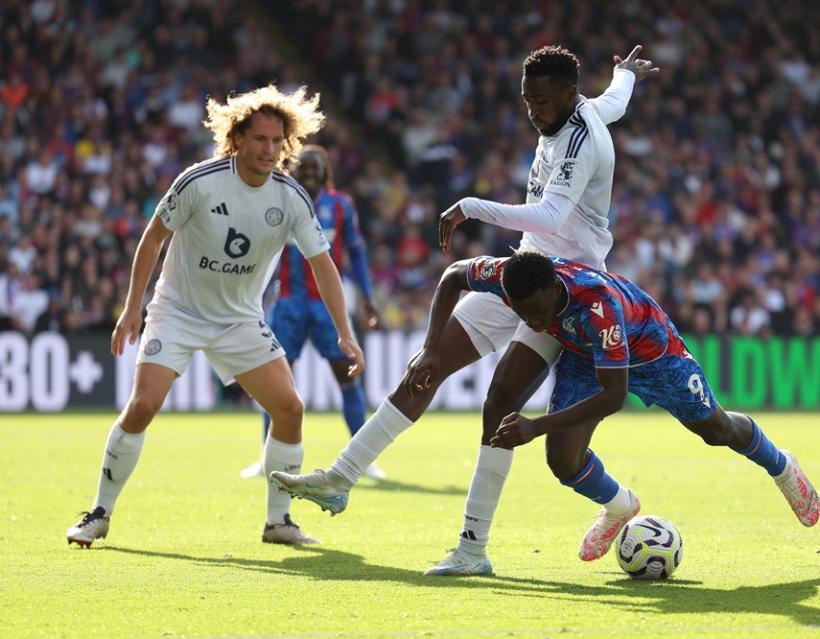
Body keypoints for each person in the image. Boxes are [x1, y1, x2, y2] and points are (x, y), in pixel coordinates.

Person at [271, 45, 659, 575]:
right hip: (526, 270)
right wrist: (625, 74)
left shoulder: (581, 140)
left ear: (568, 96)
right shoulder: (580, 107)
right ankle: (341, 478)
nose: (534, 111)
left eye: (543, 102)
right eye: (528, 101)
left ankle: (473, 549)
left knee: (499, 402)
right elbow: (612, 101)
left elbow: (550, 214)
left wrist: (472, 205)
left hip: (563, 291)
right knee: (425, 367)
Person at [66, 85, 364, 548]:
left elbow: (323, 266)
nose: (269, 150)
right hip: (177, 311)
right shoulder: (198, 182)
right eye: (260, 139)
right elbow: (152, 238)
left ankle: (278, 522)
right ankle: (99, 513)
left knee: (290, 409)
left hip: (238, 319)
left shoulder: (291, 198)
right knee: (143, 406)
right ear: (237, 138)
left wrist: (346, 333)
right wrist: (131, 309)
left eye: (277, 141)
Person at [420, 252, 820, 565]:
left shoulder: (598, 303)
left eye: (539, 312)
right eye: (524, 314)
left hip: (652, 352)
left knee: (717, 431)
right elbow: (453, 274)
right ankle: (620, 506)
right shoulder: (510, 276)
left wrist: (536, 426)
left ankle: (781, 466)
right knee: (563, 461)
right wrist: (431, 348)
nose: (534, 322)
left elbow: (614, 396)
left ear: (556, 291)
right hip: (585, 355)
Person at [240, 144, 383, 480]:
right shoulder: (279, 199)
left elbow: (356, 253)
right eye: (302, 169)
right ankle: (267, 459)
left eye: (314, 169)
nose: (308, 174)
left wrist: (366, 295)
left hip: (326, 308)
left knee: (347, 378)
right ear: (293, 170)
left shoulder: (341, 205)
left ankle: (362, 459)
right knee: (274, 382)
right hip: (286, 305)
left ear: (325, 172)